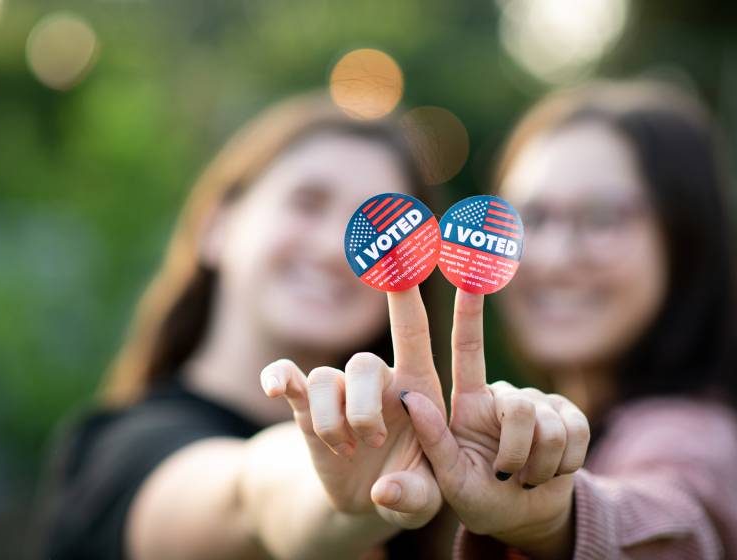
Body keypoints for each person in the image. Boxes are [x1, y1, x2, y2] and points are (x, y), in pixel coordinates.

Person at [273, 80, 737, 559]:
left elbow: (682, 522)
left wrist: (561, 521)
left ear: (686, 241)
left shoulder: (700, 437)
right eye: (528, 217)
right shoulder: (574, 425)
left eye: (601, 218)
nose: (552, 256)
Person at [32, 93, 458, 560]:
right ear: (217, 224)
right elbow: (252, 497)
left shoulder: (419, 475)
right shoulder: (121, 453)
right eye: (307, 203)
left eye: (378, 227)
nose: (335, 248)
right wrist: (335, 502)